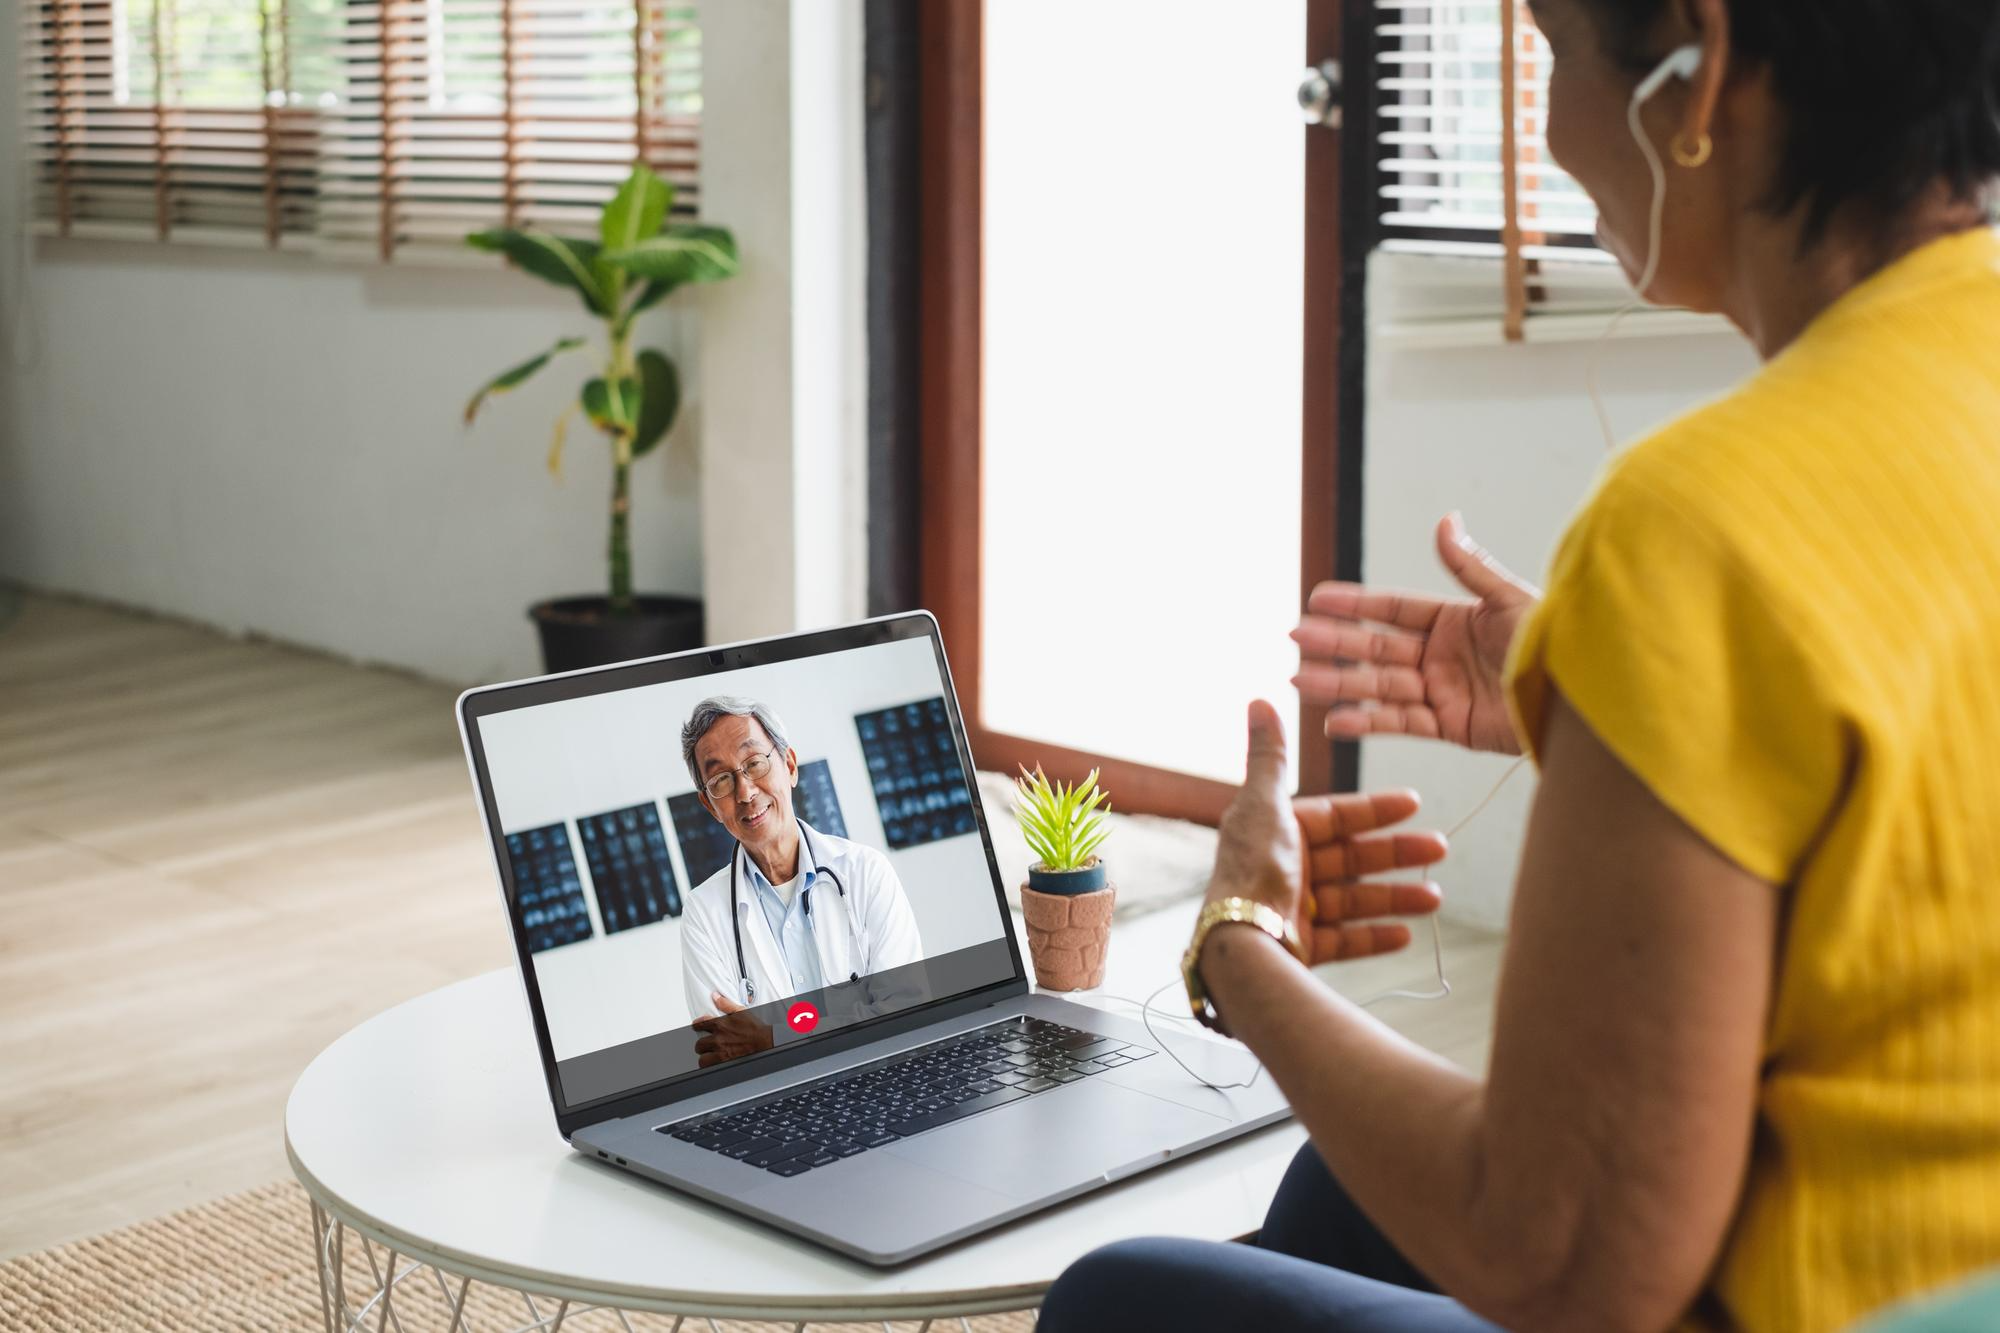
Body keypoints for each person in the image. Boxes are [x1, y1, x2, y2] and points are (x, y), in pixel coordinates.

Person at [1040, 0, 2000, 1329]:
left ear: (1697, 65)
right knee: (1333, 1196)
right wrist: (1622, 693)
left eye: (1550, 50)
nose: (1545, 128)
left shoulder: (1703, 521)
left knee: (1122, 1298)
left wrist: (1238, 946)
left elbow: (1562, 1256)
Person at [678, 696, 923, 1065]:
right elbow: (727, 1057)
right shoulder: (703, 914)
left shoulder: (866, 872)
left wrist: (773, 1038)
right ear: (710, 805)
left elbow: (906, 1017)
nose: (745, 793)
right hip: (778, 1111)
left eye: (755, 764)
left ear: (789, 765)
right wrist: (851, 1024)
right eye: (721, 781)